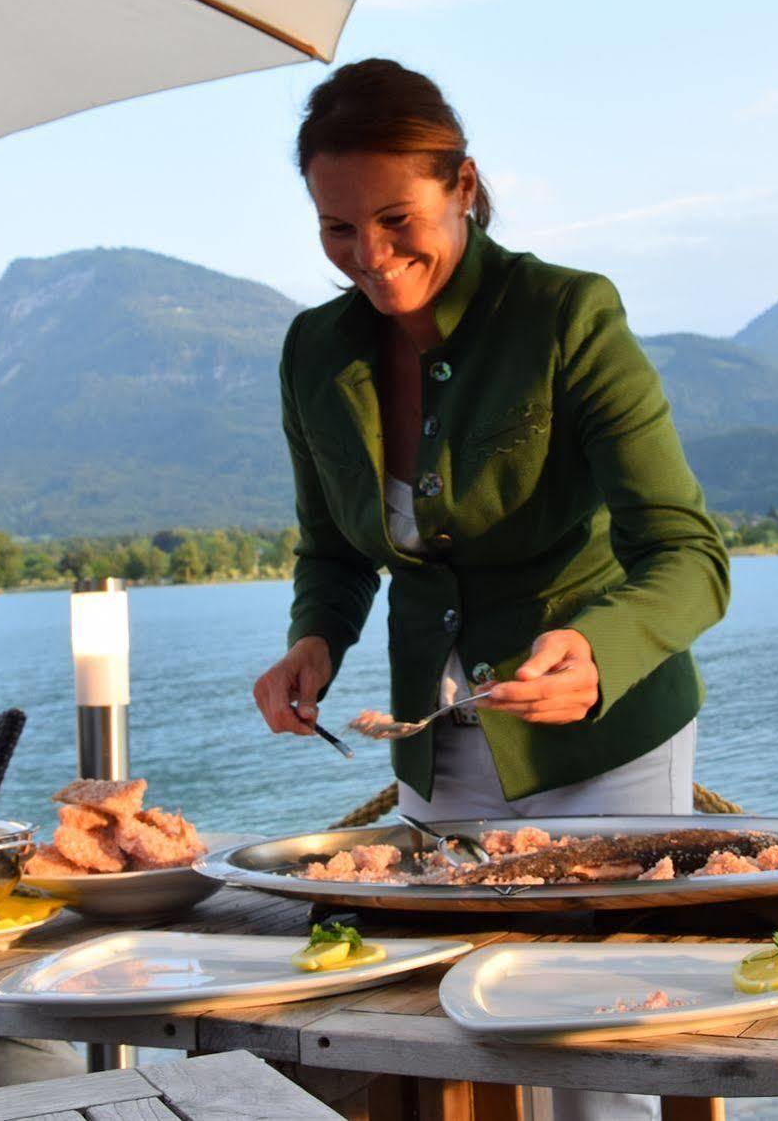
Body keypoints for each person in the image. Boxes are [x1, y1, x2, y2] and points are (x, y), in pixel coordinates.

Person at [253, 55, 728, 828]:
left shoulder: (567, 315)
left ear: (463, 188)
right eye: (337, 228)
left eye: (396, 219)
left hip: (602, 746)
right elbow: (334, 553)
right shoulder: (312, 351)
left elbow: (688, 554)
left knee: (602, 954)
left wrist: (599, 652)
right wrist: (315, 638)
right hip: (429, 759)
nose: (370, 256)